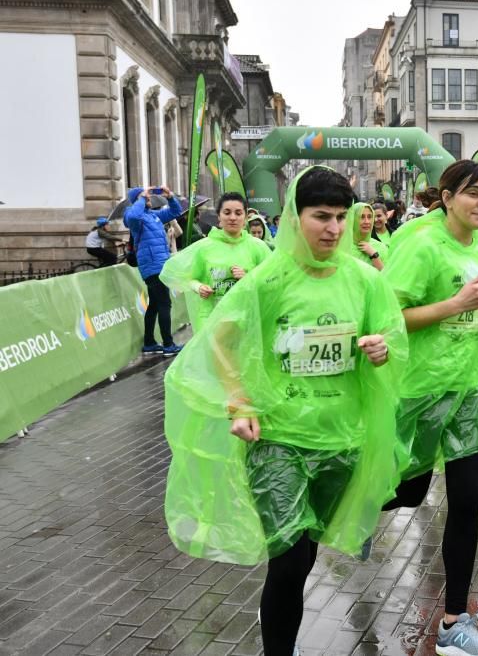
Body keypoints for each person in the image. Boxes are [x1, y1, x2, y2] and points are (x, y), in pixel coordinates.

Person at [162, 166, 407, 656]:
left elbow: (392, 337)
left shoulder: (364, 279)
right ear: (296, 217)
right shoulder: (269, 278)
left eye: (341, 216)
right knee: (290, 558)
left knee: (307, 547)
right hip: (278, 440)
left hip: (341, 437)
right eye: (321, 216)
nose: (334, 229)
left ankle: (281, 618)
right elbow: (222, 340)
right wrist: (238, 400)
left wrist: (381, 349)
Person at [382, 160, 478, 656]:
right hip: (420, 391)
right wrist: (454, 306)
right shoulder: (419, 243)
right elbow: (389, 317)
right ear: (447, 195)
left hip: (472, 390)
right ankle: (356, 514)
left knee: (465, 503)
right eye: (473, 193)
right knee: (408, 494)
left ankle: (454, 622)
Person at [160, 192, 271, 333]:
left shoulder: (258, 247)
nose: (232, 217)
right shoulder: (204, 247)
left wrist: (249, 277)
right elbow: (175, 273)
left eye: (238, 213)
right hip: (212, 320)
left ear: (245, 218)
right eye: (227, 212)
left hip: (247, 320)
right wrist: (198, 286)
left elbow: (273, 280)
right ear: (219, 217)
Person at [123, 185, 185, 356]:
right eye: (145, 198)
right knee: (165, 304)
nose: (149, 199)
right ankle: (168, 344)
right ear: (138, 200)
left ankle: (149, 343)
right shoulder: (133, 216)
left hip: (159, 265)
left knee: (155, 306)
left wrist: (170, 196)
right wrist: (142, 197)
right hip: (153, 267)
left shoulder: (152, 215)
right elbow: (133, 215)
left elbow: (175, 212)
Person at [350, 202, 388, 271]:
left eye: (370, 217)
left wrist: (374, 255)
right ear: (353, 219)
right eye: (362, 217)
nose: (367, 221)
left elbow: (387, 276)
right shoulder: (342, 247)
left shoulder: (381, 247)